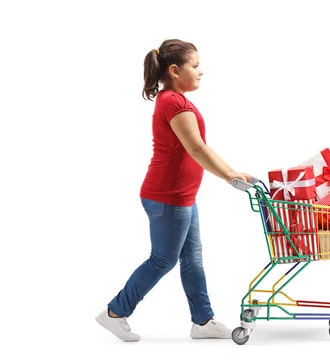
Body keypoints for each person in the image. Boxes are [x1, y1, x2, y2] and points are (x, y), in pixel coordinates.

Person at [96, 39, 251, 342]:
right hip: (168, 197)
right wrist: (229, 174)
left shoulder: (174, 100)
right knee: (163, 260)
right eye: (195, 66)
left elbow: (196, 148)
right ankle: (115, 313)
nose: (200, 71)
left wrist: (231, 172)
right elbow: (196, 147)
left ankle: (203, 321)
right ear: (174, 70)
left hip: (180, 197)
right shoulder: (173, 102)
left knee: (192, 258)